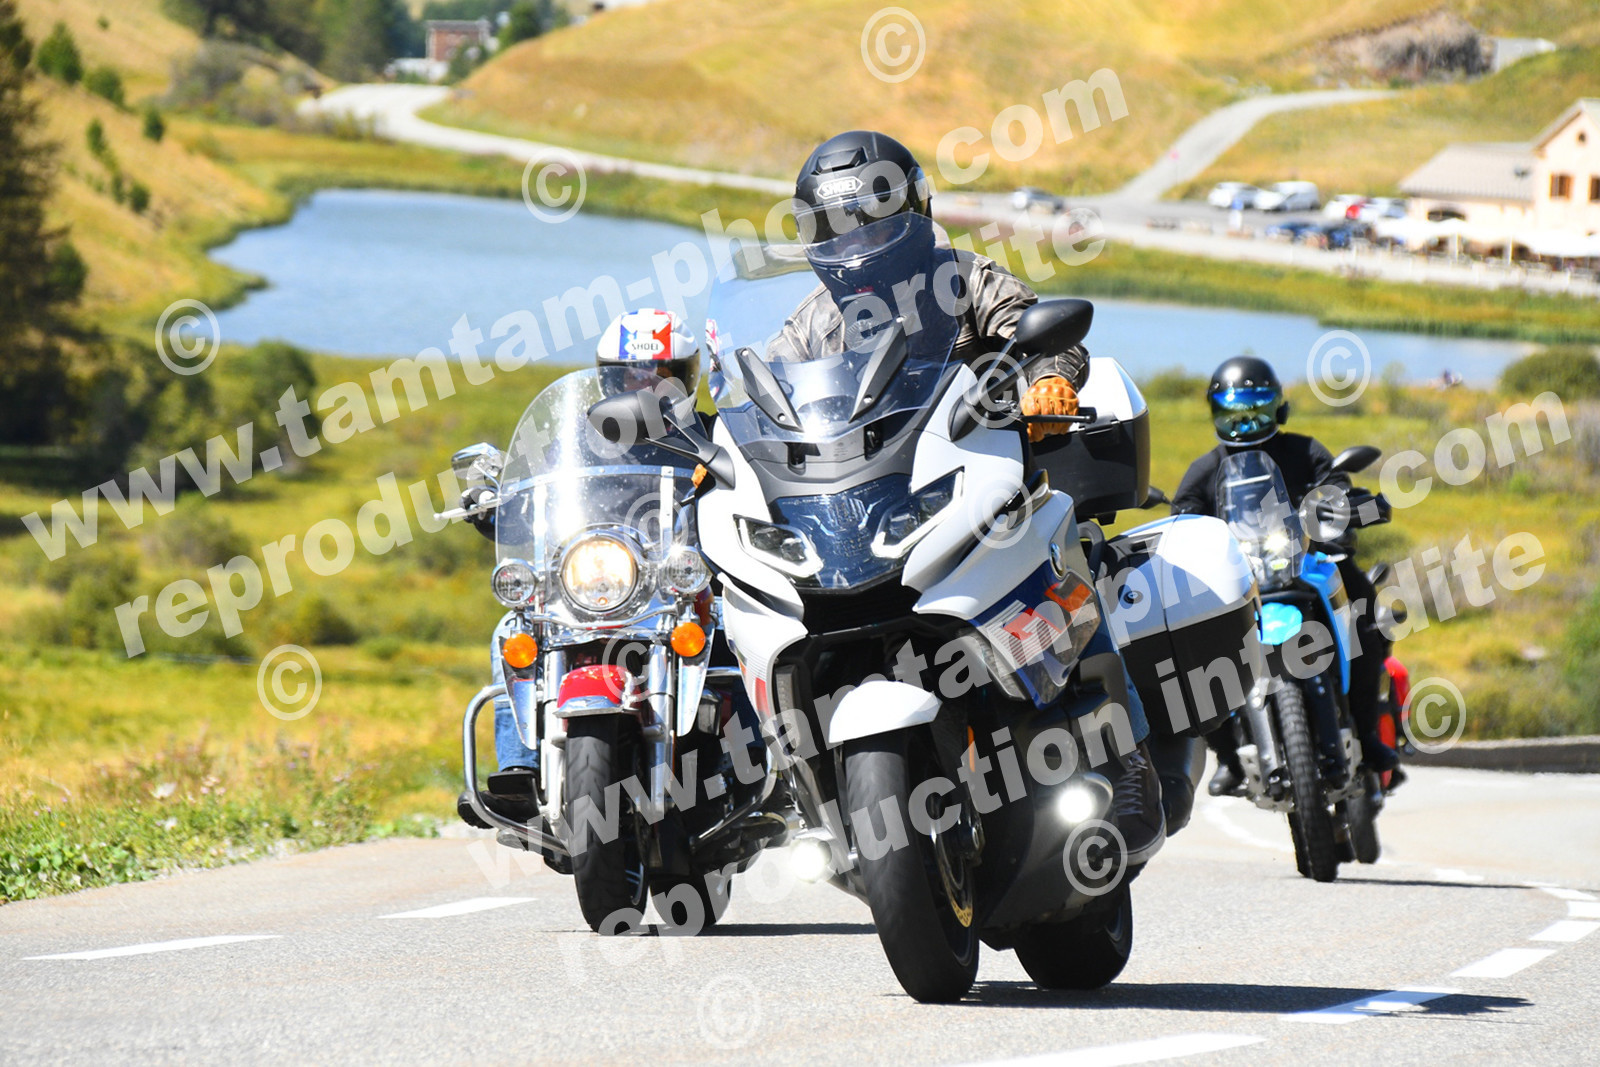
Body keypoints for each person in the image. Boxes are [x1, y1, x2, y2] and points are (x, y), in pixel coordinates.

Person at [765, 130, 1165, 856]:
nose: (858, 241)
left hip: (984, 488)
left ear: (912, 213)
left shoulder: (966, 279)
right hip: (871, 509)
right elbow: (770, 402)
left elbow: (1050, 339)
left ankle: (1124, 752)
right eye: (838, 225)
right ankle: (794, 781)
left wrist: (1048, 379)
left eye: (873, 221)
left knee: (1065, 546)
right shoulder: (810, 325)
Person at [458, 308, 703, 831]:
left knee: (732, 629)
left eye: (660, 375)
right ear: (608, 379)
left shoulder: (709, 437)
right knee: (513, 632)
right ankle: (521, 770)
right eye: (630, 375)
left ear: (684, 379)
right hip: (589, 583)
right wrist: (494, 503)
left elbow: (748, 484)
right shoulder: (579, 436)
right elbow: (535, 491)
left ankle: (764, 758)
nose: (644, 386)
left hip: (674, 588)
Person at [1171, 356, 1399, 797]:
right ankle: (1228, 756)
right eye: (1233, 414)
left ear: (1278, 407)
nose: (1245, 423)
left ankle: (1369, 735)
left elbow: (1339, 487)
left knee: (1364, 624)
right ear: (1215, 414)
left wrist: (1355, 508)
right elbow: (1181, 521)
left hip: (1308, 563)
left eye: (1256, 411)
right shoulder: (1204, 471)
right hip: (1240, 579)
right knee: (1197, 656)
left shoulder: (1305, 451)